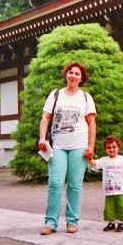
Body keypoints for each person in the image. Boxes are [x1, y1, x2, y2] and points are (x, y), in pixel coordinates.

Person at [38, 61, 97, 235]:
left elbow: (92, 123)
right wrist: (42, 137)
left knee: (75, 185)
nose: (73, 75)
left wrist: (91, 146)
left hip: (79, 145)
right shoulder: (56, 94)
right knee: (55, 183)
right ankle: (50, 222)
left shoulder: (86, 97)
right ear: (66, 75)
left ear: (81, 79)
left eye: (77, 74)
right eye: (70, 72)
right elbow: (45, 118)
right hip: (57, 145)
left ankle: (72, 221)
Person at [89, 134, 123, 232]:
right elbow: (94, 163)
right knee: (109, 208)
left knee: (122, 206)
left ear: (118, 147)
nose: (111, 149)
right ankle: (111, 223)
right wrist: (89, 157)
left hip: (120, 189)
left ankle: (122, 223)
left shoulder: (122, 159)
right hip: (109, 190)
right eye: (108, 147)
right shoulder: (104, 160)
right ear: (105, 149)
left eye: (114, 147)